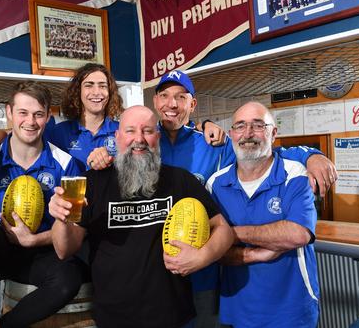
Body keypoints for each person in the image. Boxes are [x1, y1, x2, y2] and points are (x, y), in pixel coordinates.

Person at [87, 69, 336, 328]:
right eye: (165, 96)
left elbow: (259, 148)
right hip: (155, 282)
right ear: (156, 102)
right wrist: (99, 157)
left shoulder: (213, 145)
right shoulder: (142, 141)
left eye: (181, 97)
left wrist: (310, 155)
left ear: (192, 104)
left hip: (204, 275)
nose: (172, 104)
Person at [48, 105, 234, 328]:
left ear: (157, 136)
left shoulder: (181, 180)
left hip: (173, 318)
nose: (139, 139)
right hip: (112, 319)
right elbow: (63, 249)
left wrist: (202, 257)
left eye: (147, 130)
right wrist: (62, 218)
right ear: (117, 137)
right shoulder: (93, 183)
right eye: (130, 131)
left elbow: (223, 229)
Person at [0, 82, 86, 328]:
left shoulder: (67, 165)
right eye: (23, 113)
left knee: (69, 278)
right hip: (0, 254)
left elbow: (75, 231)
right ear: (10, 113)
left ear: (48, 117)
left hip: (42, 256)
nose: (30, 121)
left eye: (38, 114)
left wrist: (33, 240)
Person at [0, 64, 223, 178]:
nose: (96, 92)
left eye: (103, 86)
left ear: (110, 92)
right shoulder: (58, 132)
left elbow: (165, 131)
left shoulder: (123, 130)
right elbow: (16, 133)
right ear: (78, 91)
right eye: (89, 85)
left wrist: (203, 124)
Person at [207, 101, 319, 328]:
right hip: (236, 310)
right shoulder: (215, 184)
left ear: (273, 133)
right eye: (240, 126)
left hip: (291, 312)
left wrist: (230, 234)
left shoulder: (294, 174)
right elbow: (211, 249)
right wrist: (253, 255)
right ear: (231, 134)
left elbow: (298, 234)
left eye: (258, 125)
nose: (248, 133)